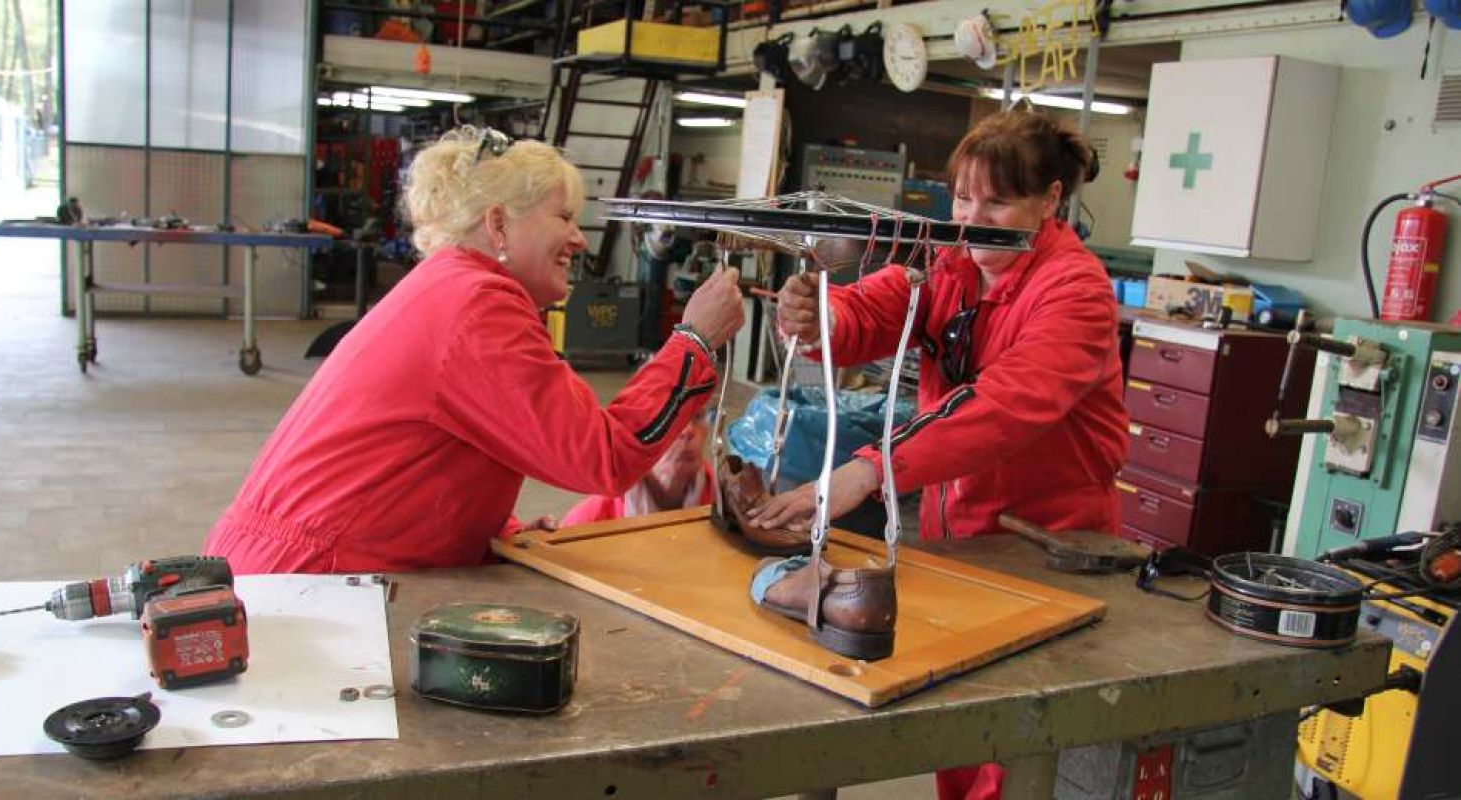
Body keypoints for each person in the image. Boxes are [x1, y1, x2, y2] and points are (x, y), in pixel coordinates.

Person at [749, 109, 1129, 800]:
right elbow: (870, 311)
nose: (970, 215)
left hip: (1045, 543)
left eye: (995, 200)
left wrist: (868, 468)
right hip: (957, 528)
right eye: (961, 197)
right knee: (962, 718)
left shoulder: (1074, 291)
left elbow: (1002, 404)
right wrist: (816, 319)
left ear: (1049, 201)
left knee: (1018, 738)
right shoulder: (949, 262)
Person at [204, 126, 744, 574]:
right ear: (499, 224)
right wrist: (693, 341)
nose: (579, 240)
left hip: (297, 569)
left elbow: (424, 455)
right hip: (311, 581)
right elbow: (601, 458)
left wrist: (493, 530)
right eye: (564, 217)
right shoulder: (478, 305)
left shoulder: (450, 288)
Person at [559, 408, 714, 525]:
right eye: (669, 417)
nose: (688, 431)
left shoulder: (728, 504)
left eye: (697, 416)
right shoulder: (587, 524)